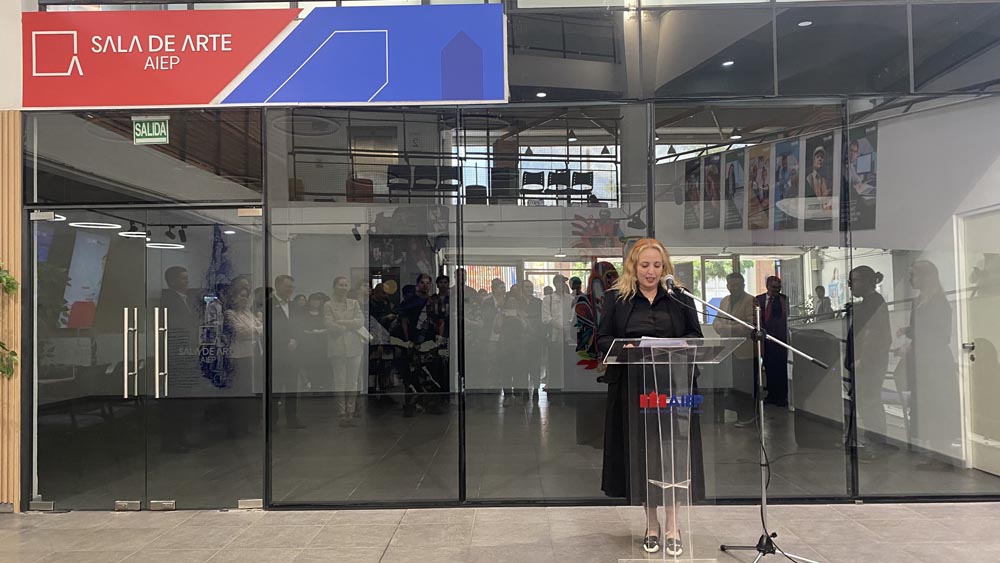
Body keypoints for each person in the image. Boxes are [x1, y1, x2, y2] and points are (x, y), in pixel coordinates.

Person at [596, 238, 702, 556]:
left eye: (657, 265)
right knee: (646, 454)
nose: (651, 271)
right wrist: (624, 347)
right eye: (645, 265)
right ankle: (652, 525)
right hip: (633, 387)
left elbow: (695, 336)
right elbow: (602, 339)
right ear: (633, 267)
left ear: (665, 267)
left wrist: (678, 346)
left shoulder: (680, 297)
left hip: (674, 386)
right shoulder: (617, 298)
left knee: (673, 454)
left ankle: (673, 526)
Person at [897, 260, 959, 455]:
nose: (910, 279)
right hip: (923, 363)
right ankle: (936, 453)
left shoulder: (939, 303)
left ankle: (942, 453)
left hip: (935, 364)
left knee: (937, 405)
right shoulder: (919, 302)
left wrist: (911, 338)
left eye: (913, 275)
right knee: (926, 406)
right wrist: (909, 337)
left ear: (926, 277)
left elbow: (940, 334)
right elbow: (921, 330)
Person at [846, 266, 891, 455]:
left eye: (854, 281)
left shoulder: (874, 303)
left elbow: (873, 334)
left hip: (869, 364)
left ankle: (877, 445)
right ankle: (874, 442)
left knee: (869, 402)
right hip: (865, 362)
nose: (851, 286)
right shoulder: (868, 302)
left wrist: (862, 360)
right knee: (866, 402)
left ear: (866, 281)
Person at [714, 273, 756, 427]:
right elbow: (716, 321)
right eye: (732, 285)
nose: (735, 288)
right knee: (731, 386)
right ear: (727, 286)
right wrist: (720, 327)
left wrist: (728, 328)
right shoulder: (724, 300)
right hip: (727, 351)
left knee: (744, 386)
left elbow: (752, 325)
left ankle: (748, 416)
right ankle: (739, 414)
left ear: (743, 285)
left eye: (738, 285)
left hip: (745, 352)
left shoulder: (751, 300)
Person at [325, 276, 365, 426]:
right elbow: (329, 324)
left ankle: (351, 412)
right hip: (337, 347)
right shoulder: (328, 305)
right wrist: (348, 325)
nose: (343, 287)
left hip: (354, 347)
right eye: (340, 285)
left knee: (353, 382)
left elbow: (360, 321)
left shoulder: (354, 303)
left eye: (345, 285)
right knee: (340, 382)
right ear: (334, 286)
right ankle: (341, 413)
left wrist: (342, 322)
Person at [223, 285, 262, 438]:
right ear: (234, 297)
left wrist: (255, 330)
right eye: (241, 295)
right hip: (236, 357)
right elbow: (239, 332)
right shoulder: (229, 314)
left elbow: (260, 327)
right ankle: (234, 427)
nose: (245, 299)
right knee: (237, 392)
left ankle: (245, 425)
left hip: (250, 355)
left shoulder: (247, 312)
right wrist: (256, 330)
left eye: (246, 296)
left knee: (247, 391)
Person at [272, 274, 305, 429]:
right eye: (287, 286)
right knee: (276, 388)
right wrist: (286, 342)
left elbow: (300, 327)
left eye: (292, 287)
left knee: (292, 388)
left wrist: (296, 340)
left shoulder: (294, 306)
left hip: (293, 353)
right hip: (276, 354)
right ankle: (272, 421)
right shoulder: (268, 304)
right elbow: (269, 328)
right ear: (278, 286)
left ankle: (292, 419)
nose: (290, 289)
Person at [757, 276, 789, 407]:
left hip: (781, 340)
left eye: (778, 287)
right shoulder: (759, 300)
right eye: (773, 287)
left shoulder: (784, 299)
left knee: (781, 368)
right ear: (767, 287)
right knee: (769, 367)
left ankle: (782, 396)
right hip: (765, 340)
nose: (776, 290)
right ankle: (771, 395)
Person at [542, 274, 575, 391]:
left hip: (568, 336)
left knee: (567, 361)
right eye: (560, 282)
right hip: (554, 336)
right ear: (555, 284)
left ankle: (567, 385)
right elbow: (546, 318)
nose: (562, 284)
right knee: (554, 362)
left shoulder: (570, 299)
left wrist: (568, 325)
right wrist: (559, 326)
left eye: (563, 282)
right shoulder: (548, 299)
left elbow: (573, 315)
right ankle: (553, 386)